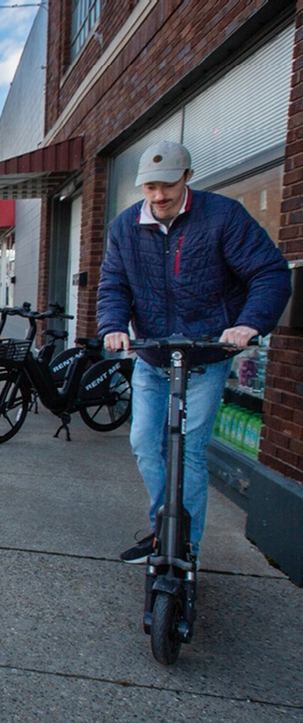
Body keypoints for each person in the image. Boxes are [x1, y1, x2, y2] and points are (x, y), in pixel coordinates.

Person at [97, 140, 291, 563]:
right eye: (149, 187)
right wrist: (113, 326)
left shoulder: (222, 217)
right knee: (147, 445)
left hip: (205, 358)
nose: (159, 196)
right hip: (153, 357)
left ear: (187, 177)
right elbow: (114, 284)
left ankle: (185, 548)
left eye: (167, 185)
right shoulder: (125, 227)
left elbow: (269, 272)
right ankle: (162, 532)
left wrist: (249, 323)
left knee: (187, 453)